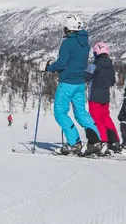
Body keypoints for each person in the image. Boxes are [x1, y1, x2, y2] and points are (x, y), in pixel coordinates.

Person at [39, 14, 102, 156]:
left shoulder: (68, 43)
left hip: (67, 83)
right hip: (80, 83)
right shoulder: (85, 43)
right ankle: (96, 141)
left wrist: (48, 67)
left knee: (60, 112)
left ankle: (74, 143)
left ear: (68, 28)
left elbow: (62, 63)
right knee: (81, 113)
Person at [85, 42, 121, 153]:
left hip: (94, 96)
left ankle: (102, 140)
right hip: (106, 97)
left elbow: (85, 77)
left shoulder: (94, 65)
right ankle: (114, 141)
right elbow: (112, 82)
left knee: (96, 118)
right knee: (106, 118)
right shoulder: (111, 67)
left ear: (96, 53)